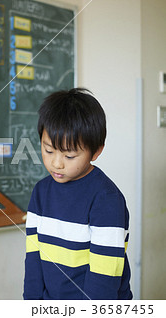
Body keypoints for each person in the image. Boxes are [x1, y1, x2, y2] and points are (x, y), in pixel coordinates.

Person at [23, 88, 132, 300]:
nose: (56, 163)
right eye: (48, 150)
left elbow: (104, 276)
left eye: (70, 155)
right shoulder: (40, 193)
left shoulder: (106, 199)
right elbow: (33, 259)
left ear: (96, 151)